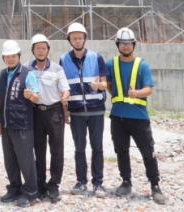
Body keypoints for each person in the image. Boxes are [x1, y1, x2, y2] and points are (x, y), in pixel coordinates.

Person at [105, 28, 166, 205]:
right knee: (121, 151)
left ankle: (155, 185)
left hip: (139, 117)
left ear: (134, 44)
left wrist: (137, 93)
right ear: (118, 45)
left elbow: (149, 89)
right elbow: (109, 86)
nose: (125, 46)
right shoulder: (111, 64)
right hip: (118, 117)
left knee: (147, 151)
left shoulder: (142, 65)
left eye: (129, 43)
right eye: (122, 43)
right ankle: (126, 182)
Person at [59, 22, 108, 198]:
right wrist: (65, 110)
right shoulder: (63, 60)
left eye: (80, 38)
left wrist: (99, 86)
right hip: (77, 111)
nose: (77, 41)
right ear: (70, 40)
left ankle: (98, 183)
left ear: (85, 39)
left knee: (98, 148)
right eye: (74, 38)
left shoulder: (97, 57)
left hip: (96, 110)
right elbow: (62, 87)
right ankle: (81, 182)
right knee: (79, 148)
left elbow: (105, 83)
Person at [0, 40, 40, 208]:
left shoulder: (27, 74)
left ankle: (30, 192)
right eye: (7, 57)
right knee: (10, 160)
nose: (10, 59)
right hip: (6, 125)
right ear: (4, 58)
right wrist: (0, 121)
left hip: (22, 124)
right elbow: (1, 98)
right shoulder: (2, 74)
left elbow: (37, 97)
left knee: (26, 160)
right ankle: (14, 188)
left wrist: (30, 96)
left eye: (13, 56)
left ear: (19, 56)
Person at [27, 34, 70, 203]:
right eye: (37, 48)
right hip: (35, 112)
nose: (41, 50)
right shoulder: (26, 69)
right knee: (39, 150)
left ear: (48, 50)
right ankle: (40, 185)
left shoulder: (57, 69)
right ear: (33, 50)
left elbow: (65, 89)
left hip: (54, 112)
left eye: (43, 48)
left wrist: (65, 96)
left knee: (56, 149)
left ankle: (54, 185)